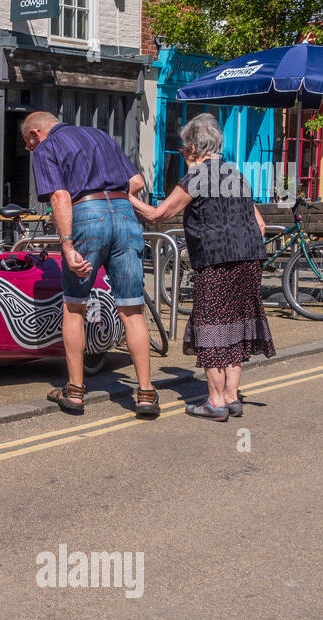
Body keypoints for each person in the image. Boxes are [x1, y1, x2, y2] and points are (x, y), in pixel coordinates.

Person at [129, 113, 275, 421]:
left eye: (183, 148)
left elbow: (158, 215)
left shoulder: (197, 176)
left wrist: (127, 198)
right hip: (250, 258)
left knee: (211, 327)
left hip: (216, 260)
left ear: (194, 148)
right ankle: (232, 397)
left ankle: (215, 402)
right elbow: (259, 225)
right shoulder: (236, 175)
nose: (182, 153)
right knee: (237, 325)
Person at [22, 111, 159, 417]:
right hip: (125, 216)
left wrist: (67, 245)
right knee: (131, 308)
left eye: (27, 142)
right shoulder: (101, 136)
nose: (30, 149)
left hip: (86, 214)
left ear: (35, 134)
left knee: (74, 306)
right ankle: (147, 393)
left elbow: (59, 196)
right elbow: (135, 181)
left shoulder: (47, 148)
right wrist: (116, 203)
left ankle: (74, 391)